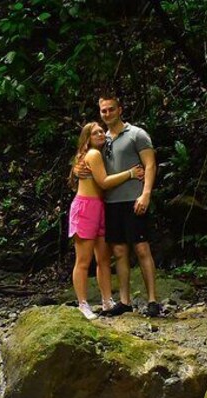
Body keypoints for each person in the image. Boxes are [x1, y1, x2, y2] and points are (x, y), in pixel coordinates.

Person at [68, 122, 144, 320]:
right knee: (83, 260)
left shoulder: (101, 154)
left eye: (102, 131)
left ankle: (107, 300)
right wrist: (131, 173)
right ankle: (83, 304)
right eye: (95, 133)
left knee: (103, 258)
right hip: (86, 207)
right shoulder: (92, 154)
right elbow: (103, 182)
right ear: (88, 138)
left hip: (100, 207)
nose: (101, 134)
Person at [97, 95, 160, 317]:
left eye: (111, 109)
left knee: (142, 248)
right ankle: (124, 301)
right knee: (120, 251)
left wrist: (146, 194)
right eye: (103, 111)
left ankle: (152, 299)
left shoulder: (137, 134)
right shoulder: (101, 139)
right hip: (112, 202)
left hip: (135, 199)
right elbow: (88, 161)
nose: (107, 114)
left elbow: (150, 164)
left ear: (120, 110)